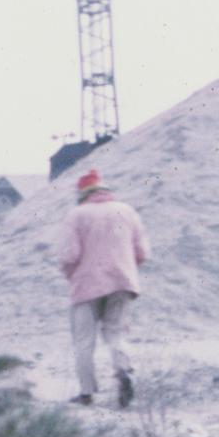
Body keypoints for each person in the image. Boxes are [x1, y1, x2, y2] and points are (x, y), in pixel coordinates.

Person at [57, 163, 149, 406]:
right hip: (122, 281)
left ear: (82, 194)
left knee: (84, 341)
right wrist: (126, 268)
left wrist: (71, 276)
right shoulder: (127, 211)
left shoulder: (76, 215)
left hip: (86, 286)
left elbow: (68, 255)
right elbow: (142, 253)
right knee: (116, 333)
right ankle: (124, 372)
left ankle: (87, 393)